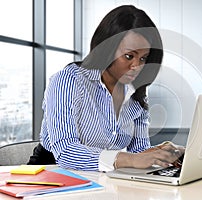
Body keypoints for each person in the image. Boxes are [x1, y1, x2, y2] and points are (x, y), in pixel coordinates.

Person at [28, 5, 184, 171]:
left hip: (97, 180)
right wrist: (128, 159)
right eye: (129, 56)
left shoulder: (135, 93)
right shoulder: (68, 81)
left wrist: (159, 153)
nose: (137, 66)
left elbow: (138, 152)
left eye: (144, 58)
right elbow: (66, 152)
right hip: (49, 176)